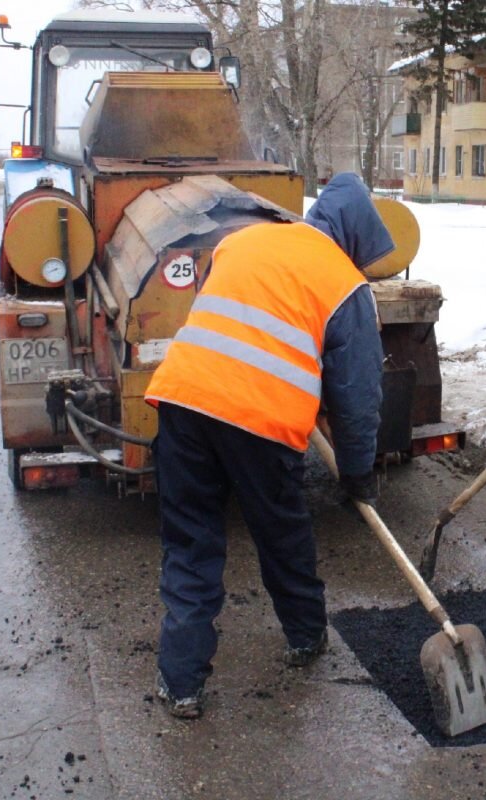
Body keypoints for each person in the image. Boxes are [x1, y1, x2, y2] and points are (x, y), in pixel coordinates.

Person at [144, 173, 394, 719]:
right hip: (259, 421)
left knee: (191, 543)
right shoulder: (345, 283)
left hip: (182, 401)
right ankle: (306, 636)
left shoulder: (243, 240)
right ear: (355, 236)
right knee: (281, 533)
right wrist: (357, 473)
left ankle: (180, 681)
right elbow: (356, 396)